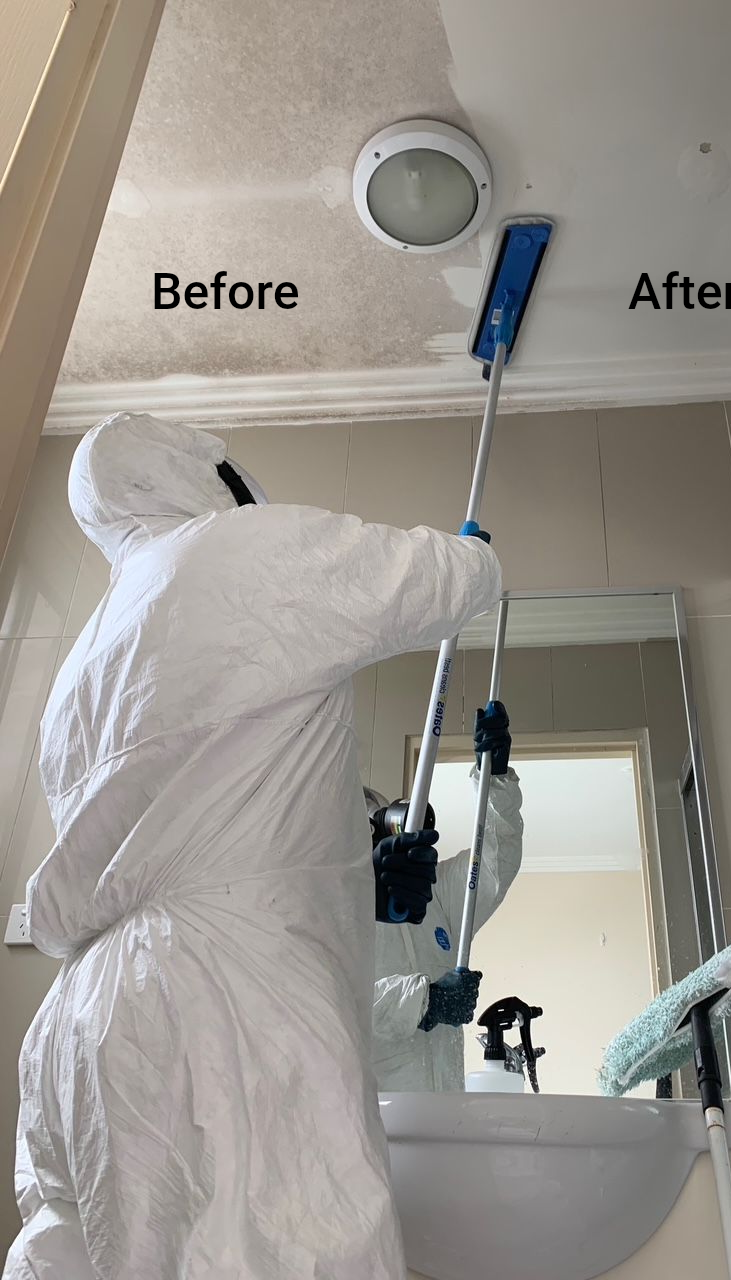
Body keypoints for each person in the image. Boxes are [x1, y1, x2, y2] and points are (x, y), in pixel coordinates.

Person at [3, 412, 501, 1280]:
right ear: (195, 475)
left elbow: (204, 806)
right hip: (222, 1002)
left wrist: (358, 876)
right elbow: (450, 580)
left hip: (80, 1022)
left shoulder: (81, 662)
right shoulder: (236, 551)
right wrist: (476, 554)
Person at [371, 701, 523, 1092]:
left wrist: (495, 778)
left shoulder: (434, 894)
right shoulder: (331, 910)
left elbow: (493, 862)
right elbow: (333, 1007)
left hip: (444, 1117)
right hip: (380, 1126)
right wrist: (428, 1001)